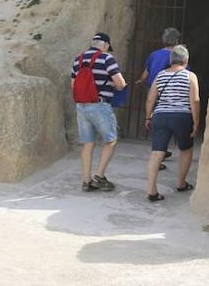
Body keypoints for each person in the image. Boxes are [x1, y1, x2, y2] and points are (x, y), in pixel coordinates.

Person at [71, 32, 127, 192]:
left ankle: (86, 181)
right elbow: (120, 83)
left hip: (81, 106)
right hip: (100, 105)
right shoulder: (107, 59)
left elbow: (73, 86)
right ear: (106, 45)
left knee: (87, 144)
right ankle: (100, 177)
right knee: (111, 140)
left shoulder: (78, 59)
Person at [144, 45, 200, 202]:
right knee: (186, 149)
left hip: (160, 116)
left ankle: (151, 190)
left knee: (157, 152)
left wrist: (148, 118)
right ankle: (181, 183)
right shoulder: (190, 76)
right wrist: (196, 122)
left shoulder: (160, 75)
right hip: (182, 116)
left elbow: (150, 99)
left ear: (171, 60)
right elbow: (195, 100)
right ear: (186, 60)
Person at [136, 27, 183, 166]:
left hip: (153, 89)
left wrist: (141, 81)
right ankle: (159, 154)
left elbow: (146, 72)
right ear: (177, 40)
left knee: (157, 121)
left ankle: (162, 150)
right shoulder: (178, 56)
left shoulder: (154, 54)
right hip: (169, 92)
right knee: (165, 123)